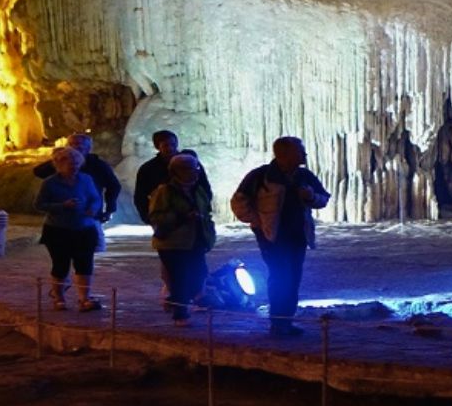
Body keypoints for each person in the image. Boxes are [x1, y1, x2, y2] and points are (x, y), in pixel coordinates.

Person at [231, 136, 330, 337]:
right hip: (272, 236)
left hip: (297, 235)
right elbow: (239, 201)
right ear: (283, 154)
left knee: (293, 277)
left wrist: (310, 197)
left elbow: (323, 199)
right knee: (280, 276)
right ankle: (278, 322)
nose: (305, 154)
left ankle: (286, 320)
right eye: (300, 150)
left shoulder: (304, 175)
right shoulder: (261, 176)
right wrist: (256, 222)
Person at [34, 146, 104, 312]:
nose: (74, 167)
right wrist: (62, 206)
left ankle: (84, 298)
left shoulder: (86, 179)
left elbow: (95, 198)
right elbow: (39, 205)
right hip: (58, 230)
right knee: (61, 264)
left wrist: (93, 208)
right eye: (70, 164)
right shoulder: (50, 183)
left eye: (76, 163)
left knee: (85, 263)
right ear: (59, 164)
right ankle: (59, 297)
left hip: (84, 228)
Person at [148, 154, 215, 325]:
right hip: (173, 242)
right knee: (179, 278)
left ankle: (181, 302)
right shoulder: (165, 191)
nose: (195, 173)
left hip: (196, 240)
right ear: (177, 172)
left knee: (200, 273)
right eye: (190, 169)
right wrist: (182, 216)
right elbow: (156, 216)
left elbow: (207, 212)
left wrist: (208, 232)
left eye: (196, 169)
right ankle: (181, 314)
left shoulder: (198, 190)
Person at [33, 133, 121, 224]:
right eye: (71, 144)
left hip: (89, 216)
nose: (74, 148)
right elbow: (38, 172)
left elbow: (114, 186)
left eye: (79, 144)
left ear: (88, 148)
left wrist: (110, 210)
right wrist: (58, 159)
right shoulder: (60, 164)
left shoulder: (98, 165)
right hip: (61, 218)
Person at [133, 130, 211, 222]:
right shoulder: (148, 169)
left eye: (172, 144)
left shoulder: (191, 163)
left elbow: (204, 187)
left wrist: (204, 208)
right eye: (166, 145)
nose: (170, 148)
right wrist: (148, 217)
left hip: (195, 214)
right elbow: (140, 196)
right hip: (166, 219)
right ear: (157, 146)